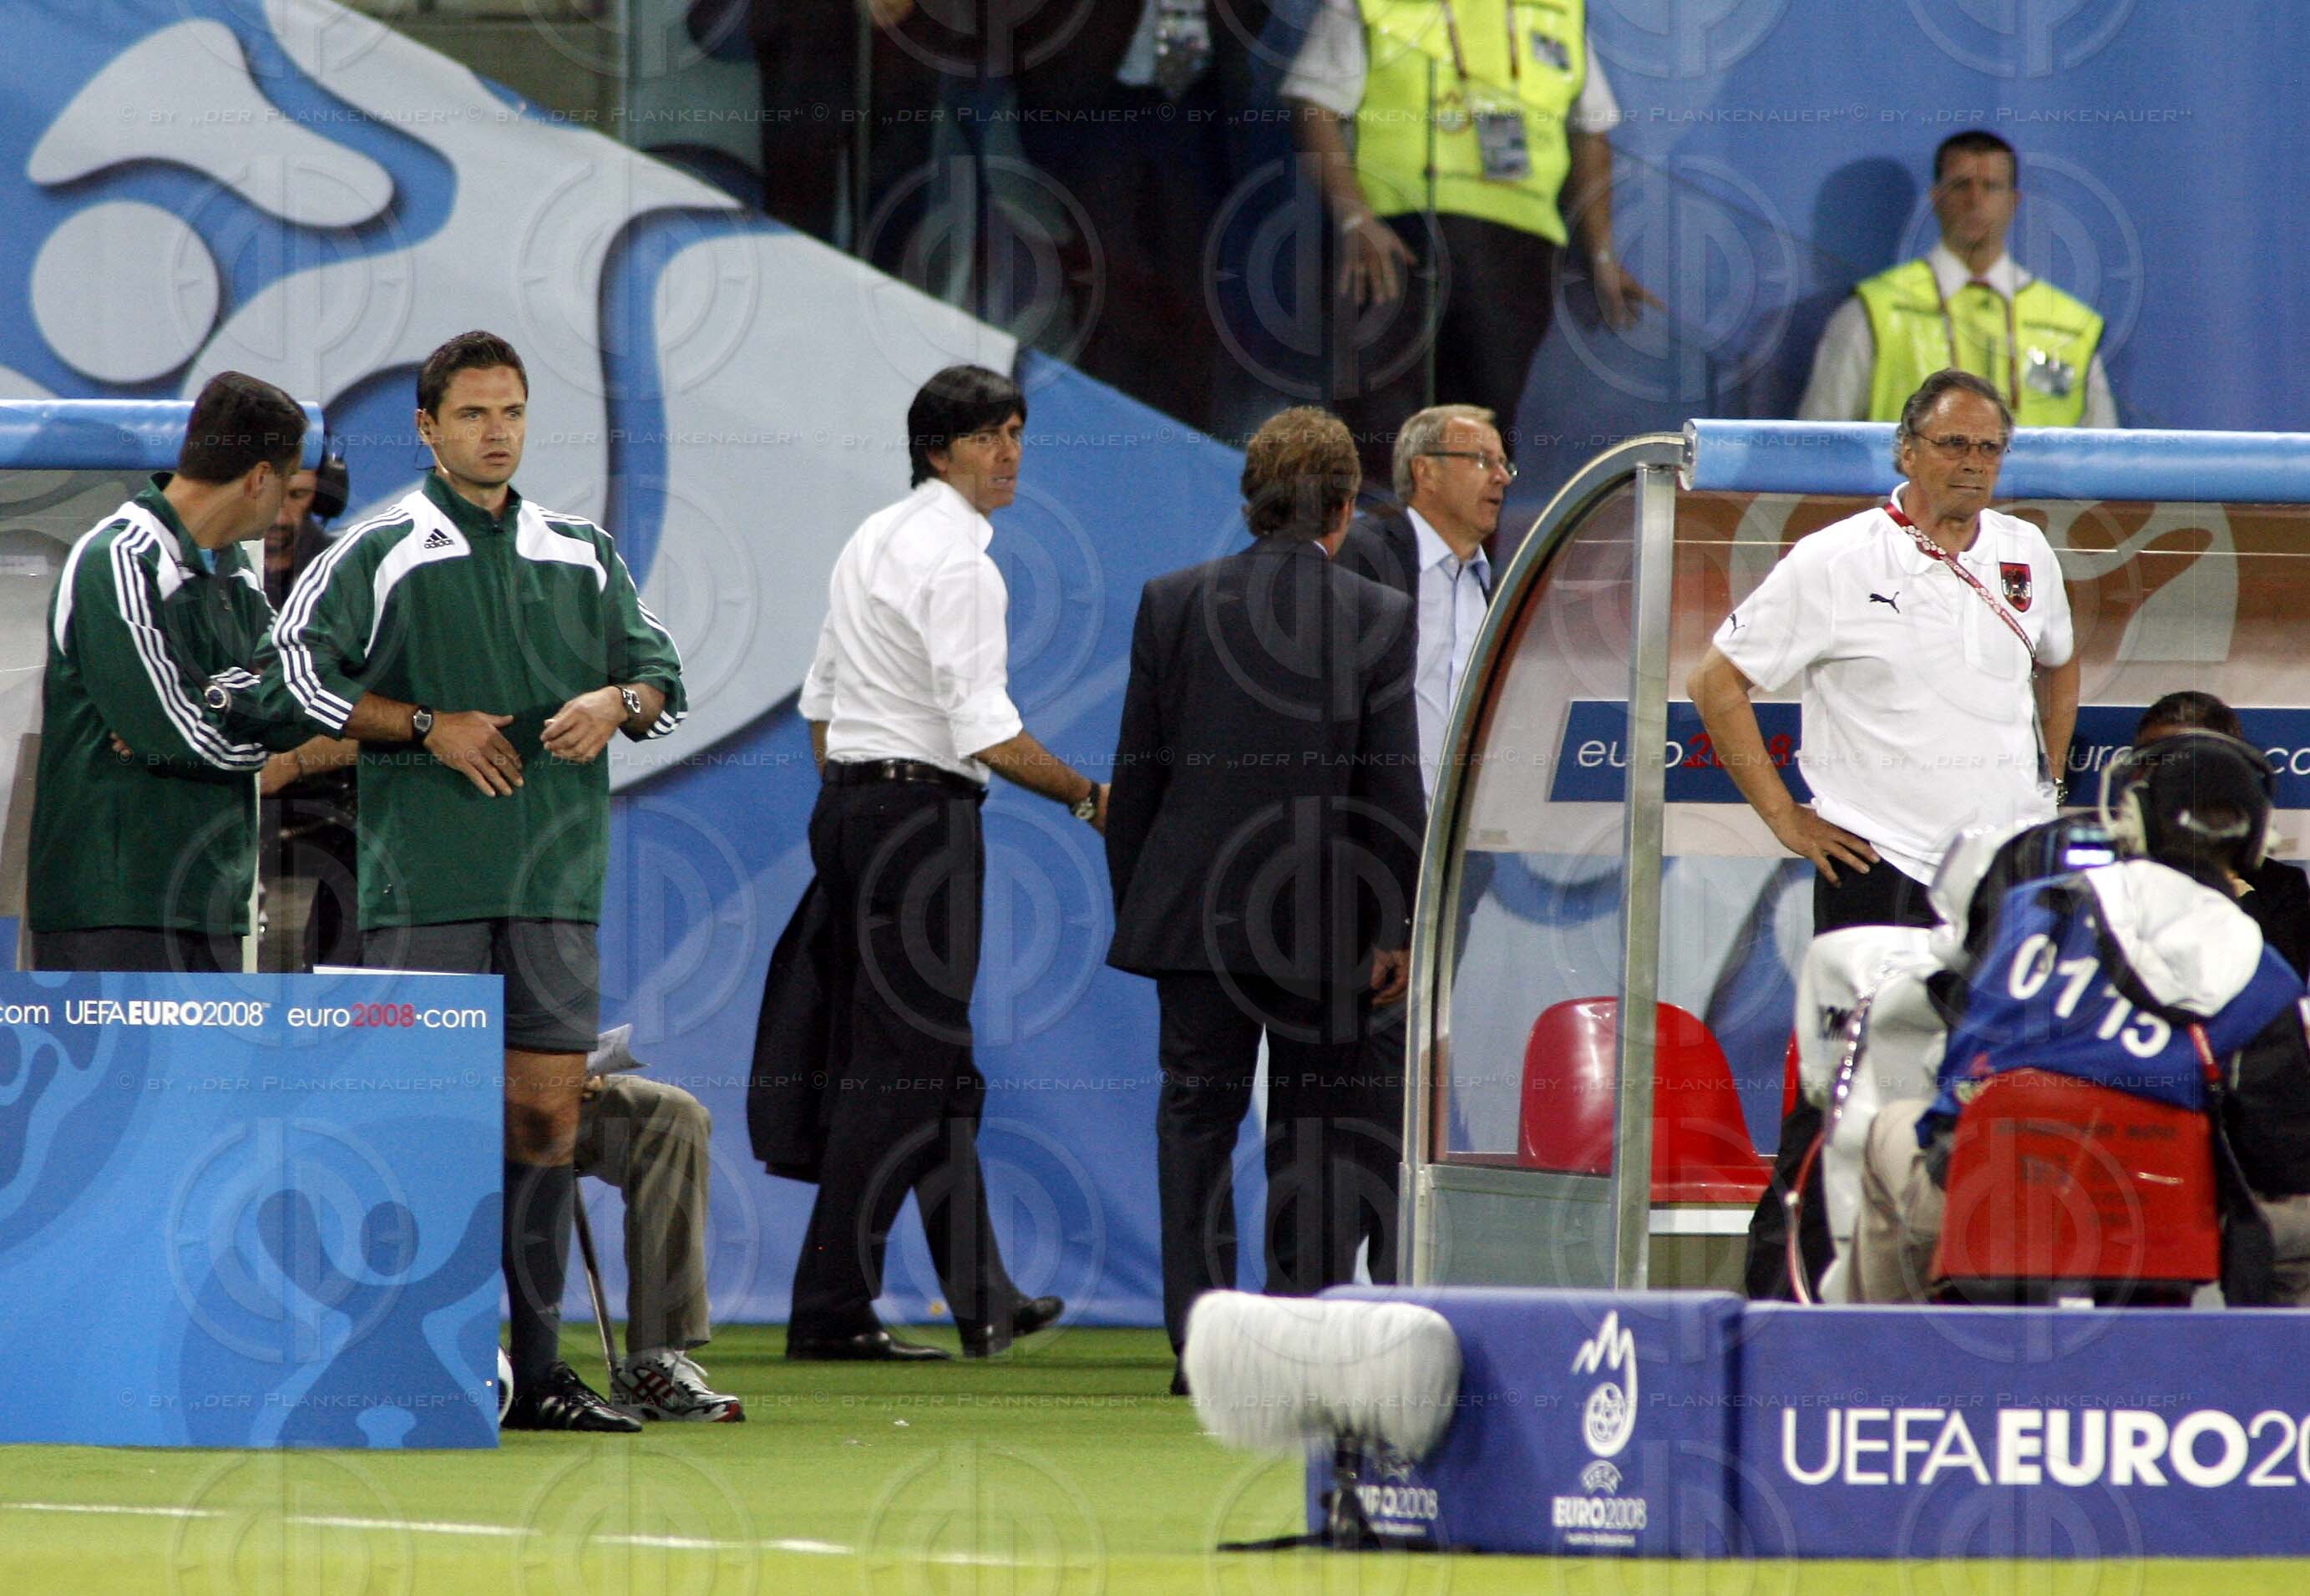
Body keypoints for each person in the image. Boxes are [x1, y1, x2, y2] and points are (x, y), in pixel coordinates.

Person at [261, 330, 687, 1433]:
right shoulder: (378, 546)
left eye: (512, 411)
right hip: (425, 884)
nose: (496, 432)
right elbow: (291, 672)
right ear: (426, 426)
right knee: (425, 1130)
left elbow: (660, 672)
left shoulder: (580, 549)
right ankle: (415, 1367)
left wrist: (615, 703)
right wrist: (424, 725)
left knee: (545, 1122)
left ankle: (539, 1376)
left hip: (556, 883)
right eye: (472, 414)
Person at [1688, 367, 2080, 1300]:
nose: (1973, 464)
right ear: (1905, 451)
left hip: (1999, 886)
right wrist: (1786, 817)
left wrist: (2049, 783)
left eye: (1990, 449)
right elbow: (1715, 681)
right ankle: (1778, 1304)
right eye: (1953, 445)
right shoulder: (1835, 560)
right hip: (1880, 872)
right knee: (1844, 1104)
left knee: (1992, 1097)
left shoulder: (2026, 552)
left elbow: (2059, 663)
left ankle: (1951, 1302)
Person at [1105, 406, 1425, 1389]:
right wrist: (1395, 925)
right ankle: (1297, 1337)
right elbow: (1391, 786)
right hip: (1324, 922)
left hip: (1191, 917)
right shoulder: (1377, 613)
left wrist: (1142, 908)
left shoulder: (1172, 602)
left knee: (1195, 1123)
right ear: (1345, 507)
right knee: (1317, 1130)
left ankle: (1202, 1349)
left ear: (1252, 497)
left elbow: (1137, 779)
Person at [776, 362, 1087, 1363]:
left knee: (936, 1070)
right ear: (938, 452)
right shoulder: (962, 565)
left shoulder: (872, 537)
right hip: (921, 826)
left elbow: (820, 704)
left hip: (857, 810)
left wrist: (855, 802)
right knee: (901, 1073)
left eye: (1016, 433)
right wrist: (1090, 796)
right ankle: (830, 1310)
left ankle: (981, 1297)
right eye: (989, 437)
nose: (1010, 454)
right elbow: (985, 729)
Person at [1846, 732, 2310, 1304]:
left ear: (2133, 820)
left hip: (1987, 1209)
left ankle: (1886, 1348)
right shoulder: (2262, 972)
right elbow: (2283, 1157)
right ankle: (2271, 1364)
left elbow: (1955, 1082)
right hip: (2161, 1233)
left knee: (1890, 1129)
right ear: (2257, 840)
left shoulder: (2030, 908)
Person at [1280, 0, 1659, 481]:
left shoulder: (1557, 10)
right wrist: (1355, 217)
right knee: (1382, 429)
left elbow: (1591, 132)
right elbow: (1313, 104)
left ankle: (1465, 530)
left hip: (1518, 251)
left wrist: (1601, 252)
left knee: (1484, 428)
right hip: (1400, 241)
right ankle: (1377, 527)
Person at [28, 372, 307, 973]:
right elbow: (176, 736)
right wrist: (252, 732)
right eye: (288, 483)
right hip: (114, 904)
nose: (285, 503)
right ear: (260, 478)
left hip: (213, 904)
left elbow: (295, 696)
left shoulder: (238, 573)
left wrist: (212, 699)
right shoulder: (117, 560)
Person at [1330, 401, 1504, 1279]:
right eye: (1483, 460)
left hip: (1456, 858)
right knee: (1369, 1062)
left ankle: (1398, 1260)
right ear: (1424, 471)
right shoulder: (1368, 554)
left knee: (1415, 1062)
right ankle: (1352, 1267)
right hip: (1372, 856)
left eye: (1505, 463)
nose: (1501, 478)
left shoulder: (1492, 578)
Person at [1799, 131, 2118, 428]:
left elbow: (2104, 455)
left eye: (1991, 186)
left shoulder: (2069, 328)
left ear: (2014, 201)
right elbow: (1822, 444)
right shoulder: (1874, 311)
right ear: (1936, 196)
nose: (1975, 200)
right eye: (1961, 185)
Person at [575, 1060, 744, 1422]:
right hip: (472, 1096)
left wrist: (573, 1064)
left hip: (552, 1087)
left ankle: (652, 1360)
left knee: (669, 1113)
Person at [2133, 691, 2310, 978]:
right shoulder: (2096, 873)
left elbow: (2276, 988)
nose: (2160, 778)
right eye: (2148, 761)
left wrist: (2228, 894)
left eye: (2179, 762)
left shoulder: (2279, 888)